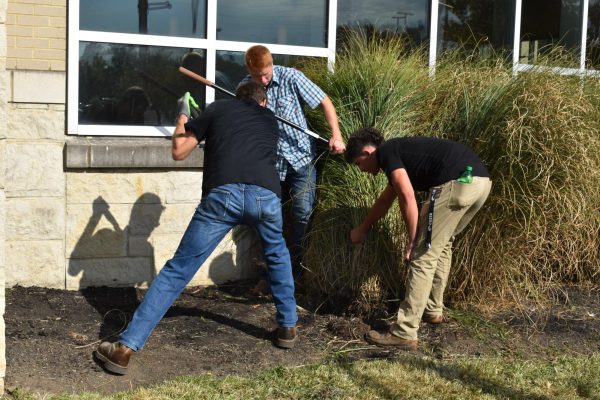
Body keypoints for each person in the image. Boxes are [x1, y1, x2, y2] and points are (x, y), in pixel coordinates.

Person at [94, 81, 299, 375]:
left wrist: (182, 116)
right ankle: (287, 328)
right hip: (266, 196)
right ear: (263, 102)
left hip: (223, 195)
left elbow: (179, 150)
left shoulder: (218, 109)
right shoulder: (270, 120)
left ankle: (124, 349)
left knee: (178, 270)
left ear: (236, 97)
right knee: (278, 256)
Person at [346, 127, 492, 350]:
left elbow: (407, 196)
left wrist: (413, 241)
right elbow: (386, 200)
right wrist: (363, 229)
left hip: (457, 183)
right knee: (441, 246)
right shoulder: (399, 155)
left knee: (423, 255)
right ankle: (433, 310)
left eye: (358, 163)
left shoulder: (386, 152)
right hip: (480, 183)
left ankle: (404, 332)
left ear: (367, 153)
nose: (361, 170)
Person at [241, 45, 346, 280]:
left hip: (301, 159)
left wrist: (336, 135)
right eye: (258, 76)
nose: (263, 80)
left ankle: (296, 272)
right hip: (268, 165)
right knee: (267, 218)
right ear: (249, 70)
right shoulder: (245, 87)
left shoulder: (291, 77)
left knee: (302, 214)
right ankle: (272, 274)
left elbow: (324, 102)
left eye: (266, 74)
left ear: (271, 65)